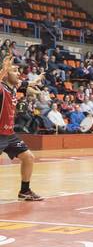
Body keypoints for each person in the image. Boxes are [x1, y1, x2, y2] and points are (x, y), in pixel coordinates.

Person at [0, 57, 44, 201]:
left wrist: (37, 79)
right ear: (5, 73)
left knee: (28, 157)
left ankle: (25, 191)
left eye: (18, 70)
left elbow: (27, 83)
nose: (18, 73)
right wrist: (3, 69)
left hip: (9, 134)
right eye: (14, 70)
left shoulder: (14, 86)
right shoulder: (1, 88)